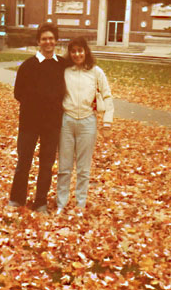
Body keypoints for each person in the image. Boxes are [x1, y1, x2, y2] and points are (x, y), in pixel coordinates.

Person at [9, 23, 66, 214]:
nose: (48, 42)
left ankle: (40, 201)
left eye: (51, 38)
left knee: (46, 163)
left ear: (56, 41)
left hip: (52, 124)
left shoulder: (63, 65)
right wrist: (36, 104)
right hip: (29, 123)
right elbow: (18, 93)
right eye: (44, 39)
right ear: (38, 42)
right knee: (24, 161)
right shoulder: (27, 66)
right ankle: (17, 198)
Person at [56, 37, 114, 215]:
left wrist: (107, 121)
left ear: (86, 51)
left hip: (88, 122)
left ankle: (80, 203)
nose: (77, 54)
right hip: (67, 120)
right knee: (64, 166)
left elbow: (107, 96)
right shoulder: (65, 71)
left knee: (83, 167)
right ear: (70, 53)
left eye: (80, 51)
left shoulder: (96, 72)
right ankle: (61, 203)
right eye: (73, 51)